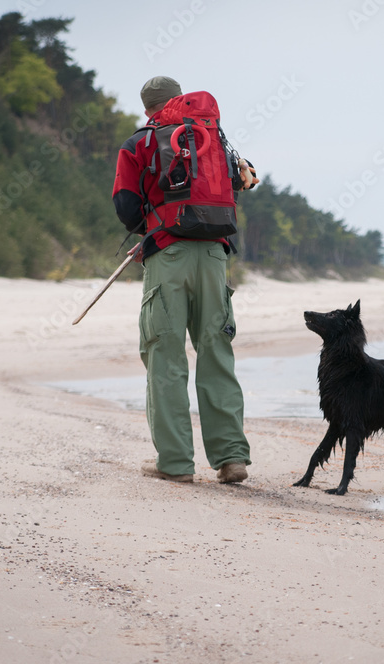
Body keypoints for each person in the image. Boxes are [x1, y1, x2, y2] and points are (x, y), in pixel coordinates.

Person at [112, 76, 255, 484]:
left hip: (167, 257)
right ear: (179, 98)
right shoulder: (214, 136)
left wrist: (152, 228)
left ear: (148, 108)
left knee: (166, 358)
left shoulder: (140, 142)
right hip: (214, 256)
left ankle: (175, 464)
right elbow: (240, 183)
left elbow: (125, 204)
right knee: (216, 354)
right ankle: (231, 459)